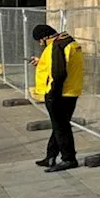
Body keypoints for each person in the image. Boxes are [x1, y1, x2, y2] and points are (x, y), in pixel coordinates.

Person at [30, 24, 84, 172]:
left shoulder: (57, 46)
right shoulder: (70, 42)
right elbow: (59, 65)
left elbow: (58, 73)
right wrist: (41, 62)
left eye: (40, 41)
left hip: (59, 93)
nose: (40, 44)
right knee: (59, 125)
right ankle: (51, 156)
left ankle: (68, 159)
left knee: (61, 127)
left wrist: (52, 94)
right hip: (71, 91)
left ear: (44, 38)